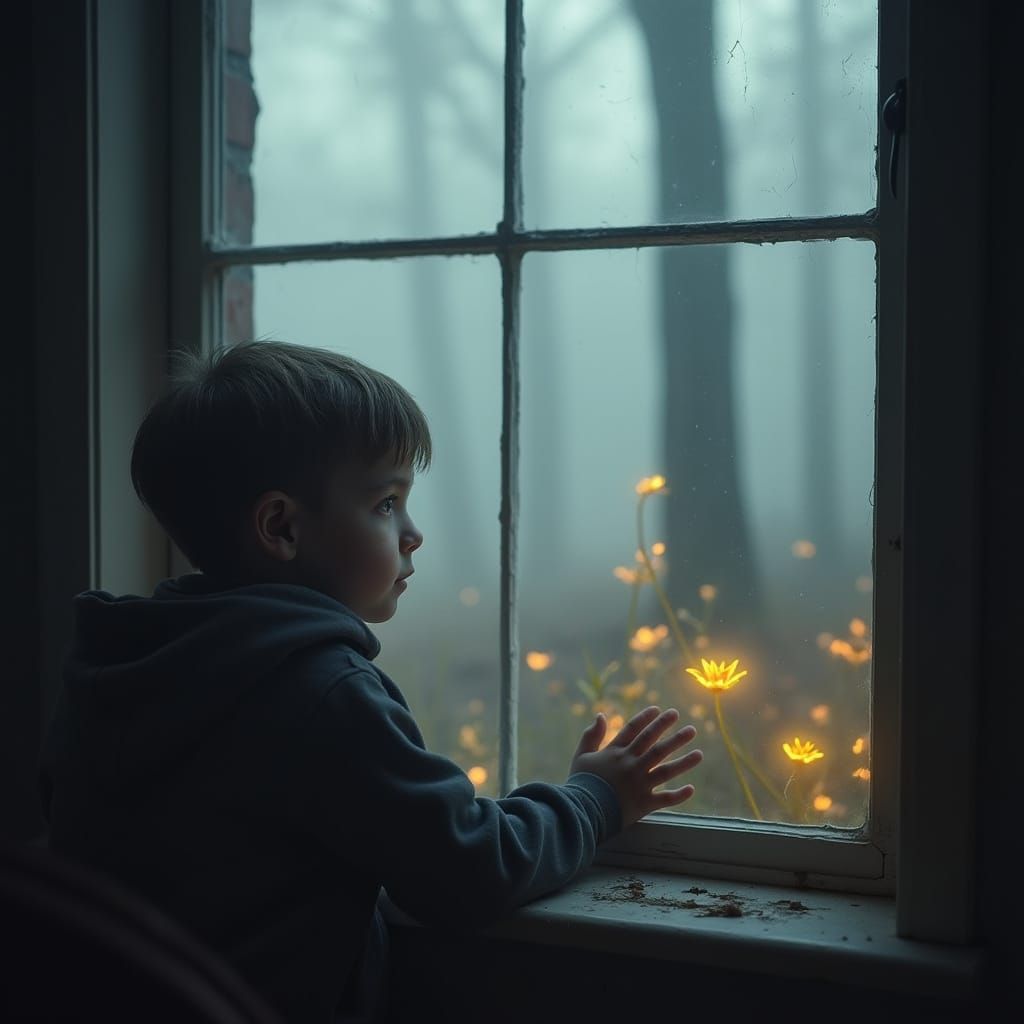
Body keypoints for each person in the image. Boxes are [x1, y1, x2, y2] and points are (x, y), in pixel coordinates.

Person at [38, 340, 703, 1024]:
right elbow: (469, 870)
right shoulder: (318, 690)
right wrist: (596, 799)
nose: (412, 534)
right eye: (387, 503)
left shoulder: (116, 668)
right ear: (281, 527)